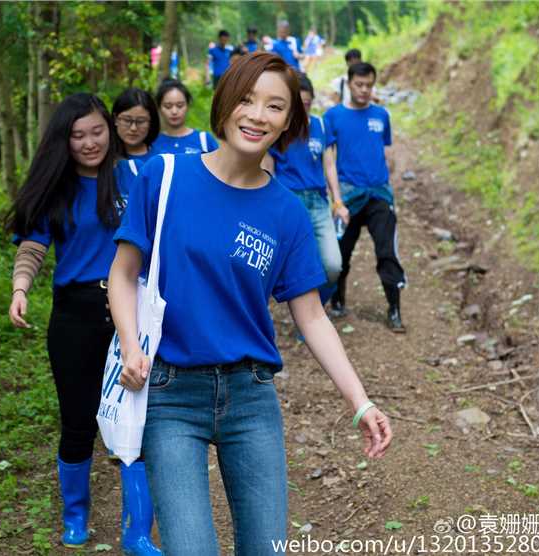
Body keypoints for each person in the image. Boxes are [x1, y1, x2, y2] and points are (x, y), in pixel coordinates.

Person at [108, 52, 392, 555]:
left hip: (251, 398)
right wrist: (131, 346)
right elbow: (124, 274)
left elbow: (311, 316)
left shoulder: (285, 212)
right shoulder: (164, 175)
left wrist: (360, 401)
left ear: (289, 121)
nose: (258, 115)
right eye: (246, 99)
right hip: (172, 394)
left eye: (274, 106)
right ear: (224, 104)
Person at [7, 93, 161, 555]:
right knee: (78, 422)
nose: (90, 142)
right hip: (74, 315)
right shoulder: (56, 187)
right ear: (64, 140)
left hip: (131, 314)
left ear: (110, 130)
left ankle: (137, 532)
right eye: (78, 135)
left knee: (136, 420)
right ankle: (75, 515)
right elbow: (32, 248)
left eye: (97, 131)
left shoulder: (136, 175)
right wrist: (20, 288)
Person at [323, 62, 407, 332]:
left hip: (379, 195)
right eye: (359, 85)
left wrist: (387, 182)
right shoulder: (333, 117)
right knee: (340, 254)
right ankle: (337, 302)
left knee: (387, 252)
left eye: (369, 85)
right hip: (348, 197)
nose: (364, 90)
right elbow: (328, 160)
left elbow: (387, 151)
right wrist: (335, 200)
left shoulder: (381, 115)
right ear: (349, 84)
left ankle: (394, 310)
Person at [268, 74, 348, 307]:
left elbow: (330, 165)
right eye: (298, 104)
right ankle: (304, 317)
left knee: (333, 266)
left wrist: (338, 202)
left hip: (318, 202)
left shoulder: (320, 125)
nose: (303, 109)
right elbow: (268, 170)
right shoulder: (279, 129)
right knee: (292, 267)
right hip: (289, 202)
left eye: (308, 103)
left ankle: (315, 311)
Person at [151, 79, 218, 155]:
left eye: (180, 106)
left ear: (188, 105)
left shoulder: (204, 140)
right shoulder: (152, 143)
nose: (174, 111)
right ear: (159, 108)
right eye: (168, 106)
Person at [113, 88, 160, 164]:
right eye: (127, 120)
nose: (133, 128)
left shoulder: (161, 160)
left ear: (151, 122)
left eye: (140, 121)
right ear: (115, 119)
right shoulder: (103, 157)